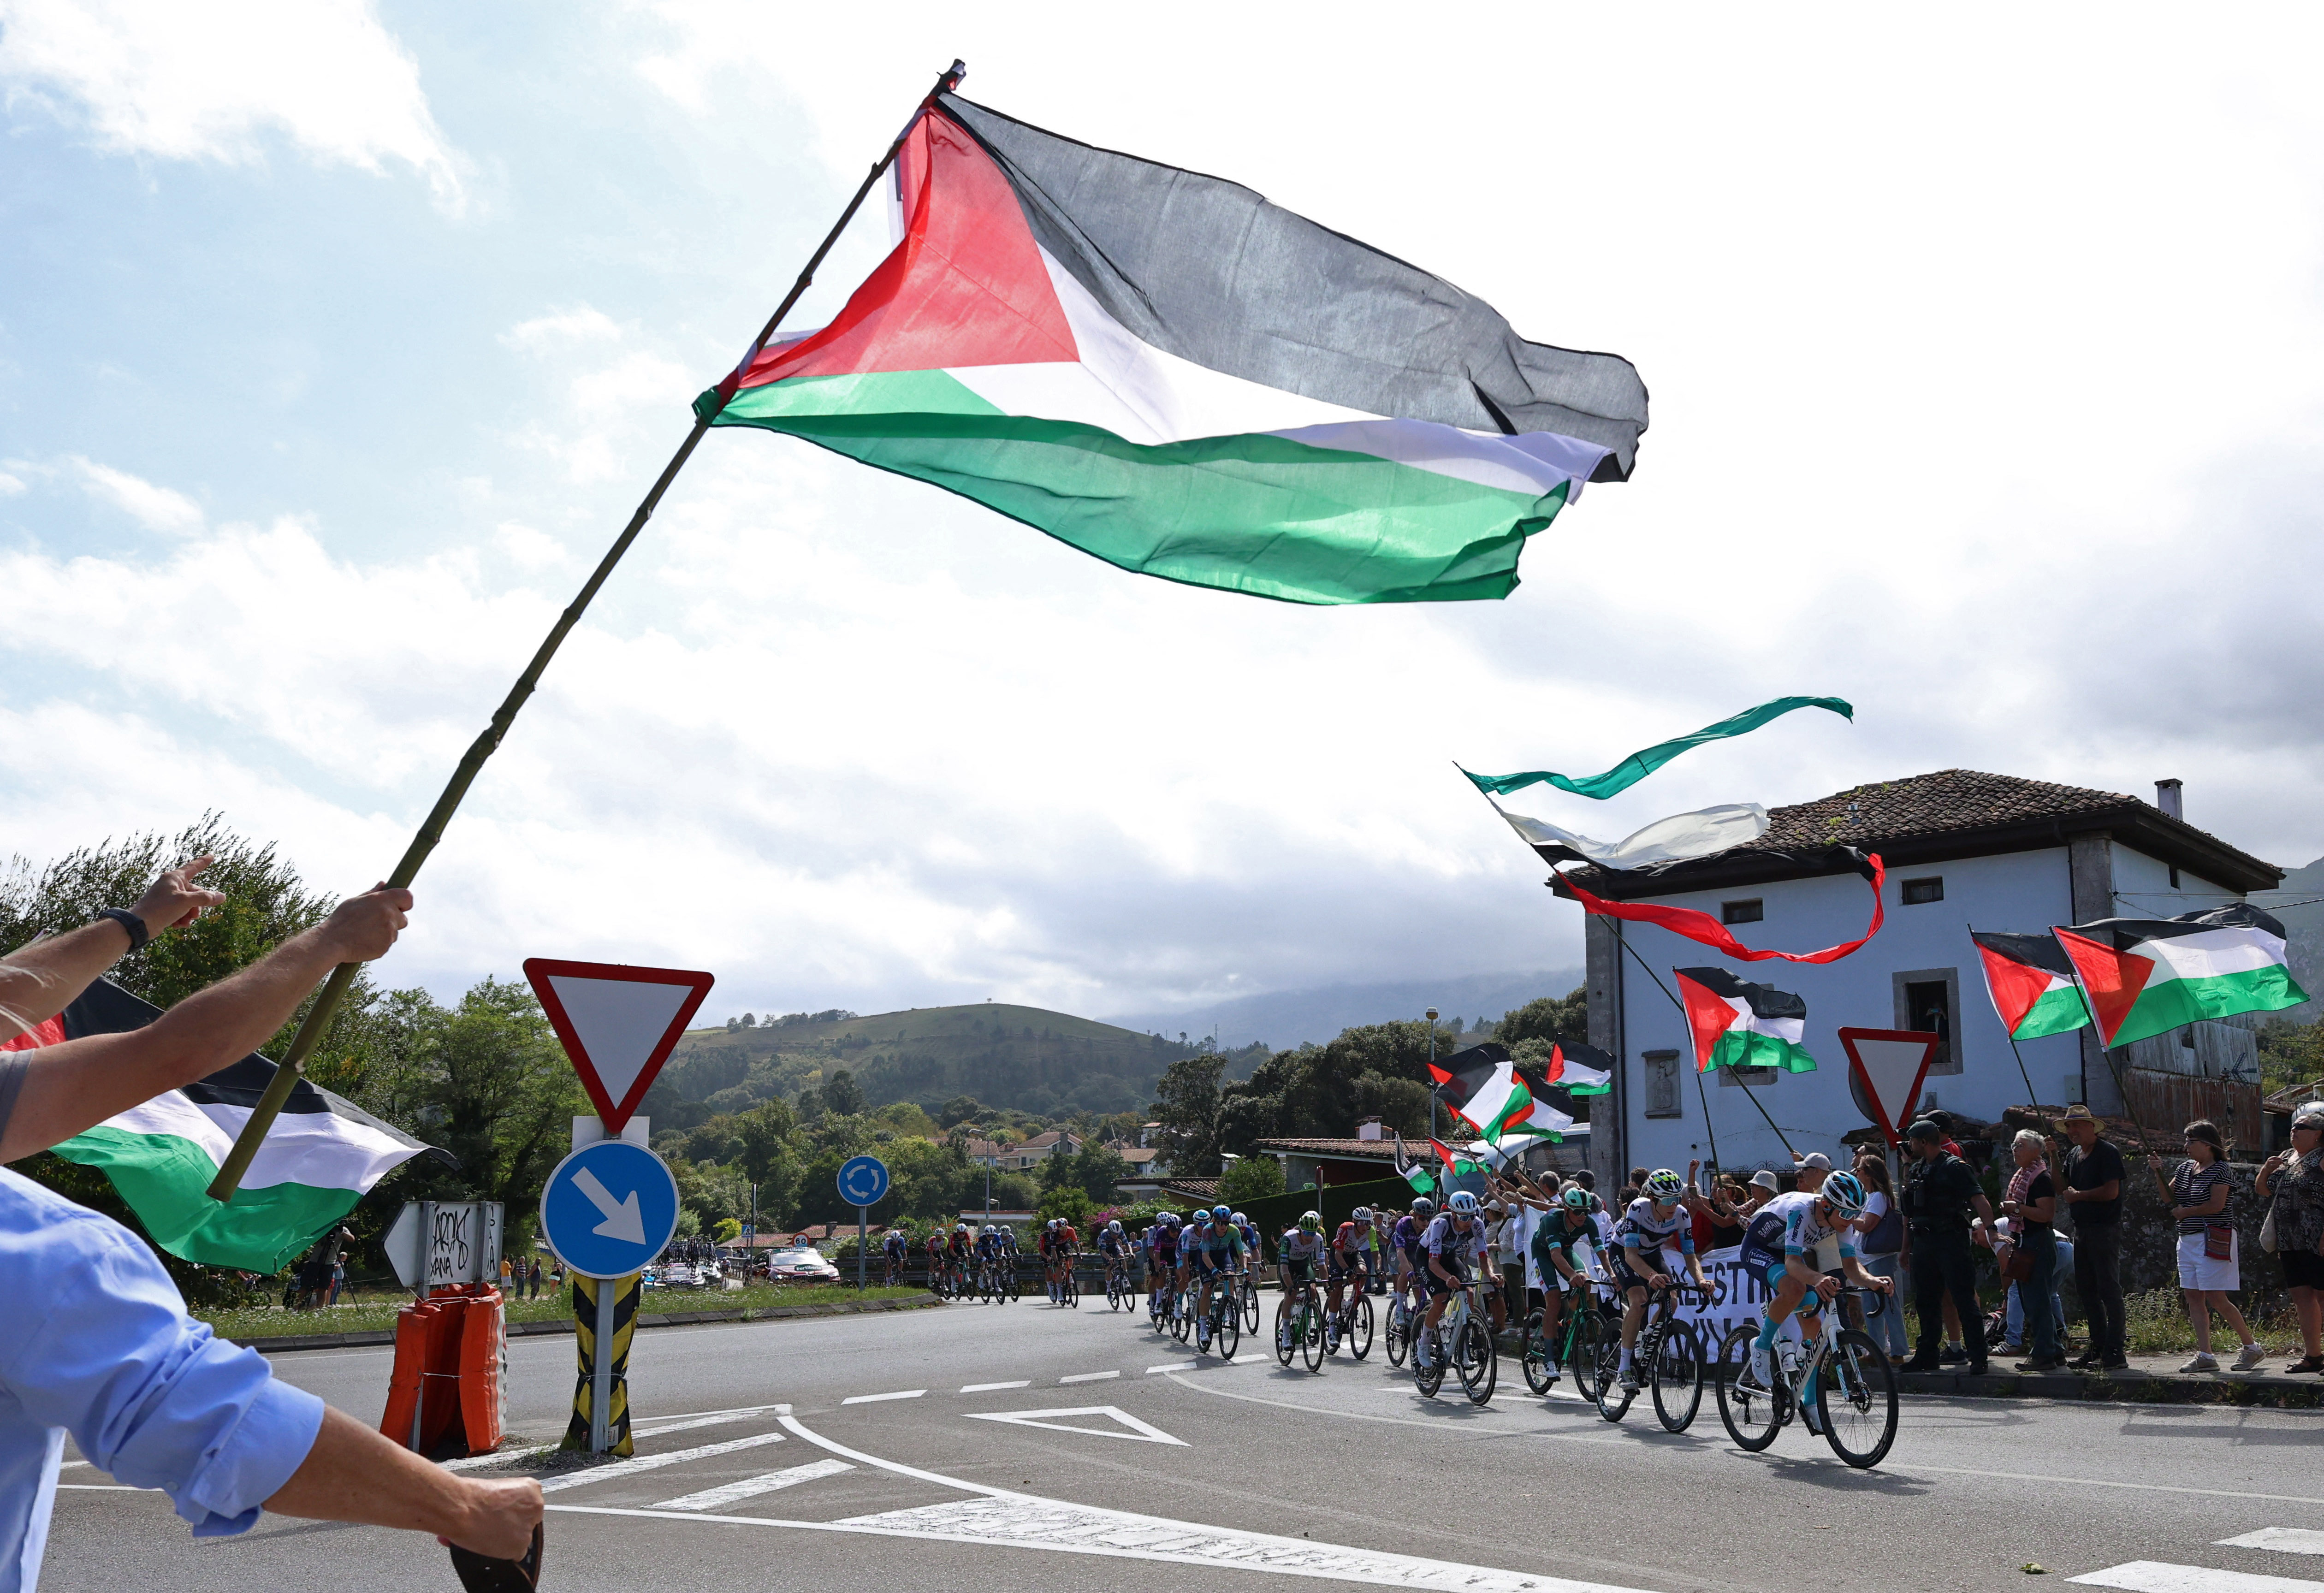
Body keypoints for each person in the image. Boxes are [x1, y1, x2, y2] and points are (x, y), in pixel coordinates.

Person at [0, 867, 542, 1590]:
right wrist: (470, 1506)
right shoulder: (37, 1253)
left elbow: (13, 992)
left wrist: (136, 923)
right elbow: (214, 1424)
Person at [1738, 1171, 1891, 1425]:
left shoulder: (1840, 1220)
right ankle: (1762, 1345)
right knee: (1795, 1289)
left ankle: (1810, 1402)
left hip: (1788, 1254)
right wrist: (1818, 1279)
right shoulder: (1802, 1209)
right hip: (1759, 1249)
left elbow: (1851, 1267)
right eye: (1847, 1214)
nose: (1851, 1221)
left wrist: (1874, 1281)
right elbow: (1793, 1263)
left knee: (1816, 1330)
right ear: (1827, 1205)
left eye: (1856, 1215)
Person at [1900, 1118, 1996, 1375]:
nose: (1909, 1145)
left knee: (1963, 1299)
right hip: (1924, 1242)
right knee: (1926, 1302)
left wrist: (1992, 1228)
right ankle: (1927, 1356)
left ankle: (1978, 1357)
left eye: (1912, 1141)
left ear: (1923, 1142)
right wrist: (1905, 1246)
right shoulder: (1919, 1168)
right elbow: (1910, 1211)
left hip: (1950, 1241)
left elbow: (1979, 1198)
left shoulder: (1954, 1167)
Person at [2172, 1119, 2264, 1374]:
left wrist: (2186, 1212)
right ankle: (2205, 1355)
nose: (2186, 1146)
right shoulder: (2185, 1169)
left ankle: (2251, 1347)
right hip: (2187, 1238)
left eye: (2192, 1141)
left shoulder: (2221, 1169)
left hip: (2213, 1236)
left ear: (2208, 1144)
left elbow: (2217, 1205)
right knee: (2193, 1296)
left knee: (2216, 1296)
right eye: (2186, 1140)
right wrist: (2157, 1170)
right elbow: (2169, 1197)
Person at [1611, 1169, 1710, 1391]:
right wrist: (1651, 1275)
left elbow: (1690, 1255)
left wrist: (1701, 1281)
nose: (1673, 1205)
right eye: (1667, 1200)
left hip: (1651, 1252)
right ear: (1653, 1199)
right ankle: (1624, 1368)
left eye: (1676, 1199)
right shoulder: (1638, 1208)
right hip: (1624, 1252)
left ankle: (1647, 1337)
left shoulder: (1681, 1215)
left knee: (1672, 1300)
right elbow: (1631, 1256)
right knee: (1639, 1300)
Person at [2057, 1104, 2128, 1370]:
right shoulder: (2074, 1154)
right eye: (2068, 1126)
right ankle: (2097, 1347)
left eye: (2076, 1125)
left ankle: (2115, 1351)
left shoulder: (2107, 1152)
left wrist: (2080, 1196)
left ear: (2091, 1127)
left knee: (2109, 1288)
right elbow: (2060, 1187)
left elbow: (2111, 1192)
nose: (2071, 1131)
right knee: (2087, 1290)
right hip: (2082, 1229)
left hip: (2104, 1229)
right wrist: (2053, 1156)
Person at [2256, 1101, 2324, 1373]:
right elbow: (2263, 1191)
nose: (2294, 1131)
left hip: (2315, 1237)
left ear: (2318, 1134)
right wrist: (2265, 1170)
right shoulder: (2286, 1157)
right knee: (2302, 1297)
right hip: (2289, 1240)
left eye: (2302, 1127)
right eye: (2294, 1127)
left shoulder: (2322, 1157)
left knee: (2322, 1296)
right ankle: (2313, 1356)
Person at [1998, 1128, 2063, 1371]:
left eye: (2021, 1145)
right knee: (2032, 1299)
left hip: (2038, 1240)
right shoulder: (2024, 1176)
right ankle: (2055, 1351)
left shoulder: (2040, 1178)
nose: (2015, 1150)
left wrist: (2017, 1209)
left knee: (2038, 1301)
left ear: (2037, 1151)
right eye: (2014, 1145)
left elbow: (2046, 1214)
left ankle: (2044, 1355)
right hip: (2026, 1239)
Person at [1527, 1184, 1601, 1386]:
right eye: (1577, 1212)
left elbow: (1601, 1251)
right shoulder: (1553, 1219)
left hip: (1566, 1251)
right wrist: (1570, 1275)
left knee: (1585, 1283)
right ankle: (1549, 1358)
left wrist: (1612, 1274)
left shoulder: (1588, 1223)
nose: (1582, 1216)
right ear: (1566, 1209)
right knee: (1554, 1299)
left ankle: (1568, 1323)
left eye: (1586, 1212)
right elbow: (1554, 1255)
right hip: (1544, 1253)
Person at [1417, 1191, 1495, 1373]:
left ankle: (1463, 1349)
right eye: (1464, 1217)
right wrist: (1447, 1278)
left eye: (1472, 1215)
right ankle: (1424, 1343)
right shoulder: (1440, 1224)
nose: (1469, 1221)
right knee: (1441, 1299)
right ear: (1453, 1214)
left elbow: (1484, 1257)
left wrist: (1491, 1275)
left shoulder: (1477, 1225)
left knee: (1468, 1292)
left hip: (1451, 1257)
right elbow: (1433, 1263)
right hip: (1428, 1258)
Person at [1852, 1157, 1908, 1362]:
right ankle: (1875, 1351)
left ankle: (1899, 1351)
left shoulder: (1877, 1197)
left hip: (1879, 1258)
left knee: (1887, 1303)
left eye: (1859, 1170)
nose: (1856, 1173)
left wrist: (1848, 1218)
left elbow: (1867, 1225)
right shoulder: (1870, 1196)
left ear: (1868, 1173)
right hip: (1867, 1259)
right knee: (1870, 1307)